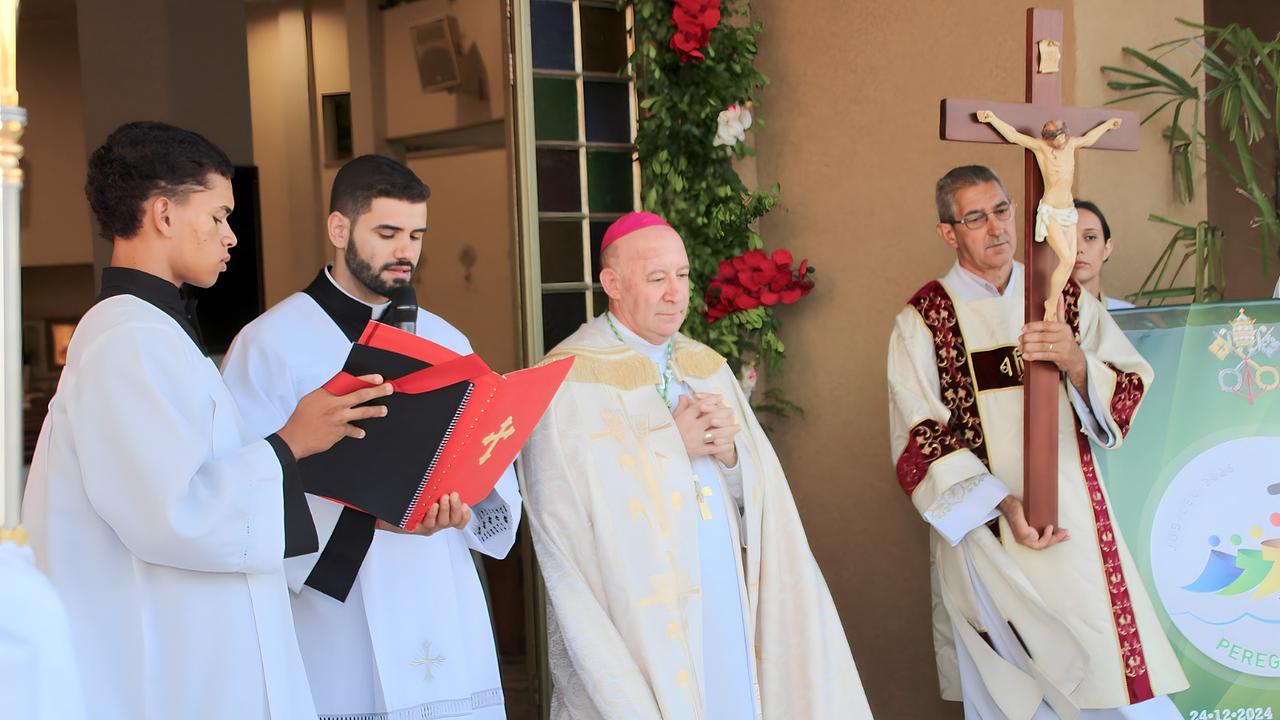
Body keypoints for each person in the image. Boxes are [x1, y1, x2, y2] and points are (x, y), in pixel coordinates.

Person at [21, 121, 392, 719]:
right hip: (168, 665)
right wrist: (290, 442)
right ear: (164, 214)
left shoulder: (152, 333)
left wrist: (356, 507)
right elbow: (173, 512)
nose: (231, 237)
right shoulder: (128, 339)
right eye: (218, 216)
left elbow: (201, 486)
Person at [522, 211, 871, 719]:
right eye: (657, 278)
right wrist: (670, 445)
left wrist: (731, 458)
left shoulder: (703, 365)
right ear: (612, 283)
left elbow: (759, 495)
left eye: (682, 276)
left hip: (721, 588)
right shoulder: (568, 378)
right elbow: (565, 516)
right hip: (639, 609)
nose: (675, 293)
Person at [221, 154, 519, 720]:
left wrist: (466, 500)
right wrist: (363, 520)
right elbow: (244, 486)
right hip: (336, 601)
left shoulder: (446, 339)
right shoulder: (269, 344)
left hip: (436, 581)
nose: (405, 250)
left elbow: (486, 456)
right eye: (387, 233)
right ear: (340, 229)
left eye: (415, 235)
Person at [887, 165, 1188, 719]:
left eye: (1002, 210)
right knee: (1017, 697)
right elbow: (918, 435)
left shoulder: (1062, 297)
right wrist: (1004, 505)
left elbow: (1130, 381)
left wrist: (1076, 361)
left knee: (1105, 675)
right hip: (989, 535)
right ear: (948, 233)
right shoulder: (925, 319)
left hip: (1075, 527)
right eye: (975, 217)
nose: (996, 227)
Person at [976, 111, 1122, 321]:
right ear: (1048, 138)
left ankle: (1054, 301)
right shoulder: (1041, 148)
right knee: (1065, 258)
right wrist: (992, 119)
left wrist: (1108, 125)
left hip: (1069, 211)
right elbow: (1013, 136)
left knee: (1070, 260)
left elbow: (1090, 138)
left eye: (1061, 137)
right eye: (1054, 138)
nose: (1059, 142)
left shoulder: (1071, 145)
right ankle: (1051, 304)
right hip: (1051, 211)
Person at [1071, 199, 1134, 310]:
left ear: (1107, 248)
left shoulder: (1127, 316)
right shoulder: (1040, 317)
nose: (1079, 248)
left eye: (1090, 237)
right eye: (1068, 238)